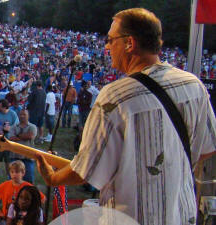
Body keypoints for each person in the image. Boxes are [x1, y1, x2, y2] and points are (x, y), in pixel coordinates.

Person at [35, 8, 216, 225]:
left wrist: (53, 178)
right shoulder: (193, 85)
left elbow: (86, 170)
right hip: (182, 213)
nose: (107, 46)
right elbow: (208, 147)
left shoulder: (116, 96)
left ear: (129, 43)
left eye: (111, 39)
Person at [0, 99, 19, 183]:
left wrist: (9, 129)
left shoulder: (12, 114)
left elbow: (17, 126)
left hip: (8, 141)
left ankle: (9, 177)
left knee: (8, 160)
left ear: (4, 107)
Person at [9, 109, 37, 184]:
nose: (22, 116)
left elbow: (30, 136)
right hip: (15, 157)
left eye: (24, 114)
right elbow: (11, 138)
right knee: (12, 180)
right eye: (21, 114)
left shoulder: (32, 127)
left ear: (28, 116)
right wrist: (24, 136)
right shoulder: (13, 127)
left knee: (29, 181)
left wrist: (17, 136)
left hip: (27, 158)